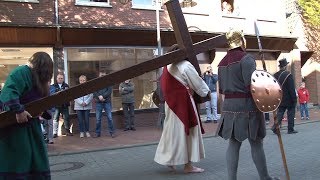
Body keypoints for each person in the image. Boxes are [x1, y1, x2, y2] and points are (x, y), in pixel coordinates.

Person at [216, 29, 279, 180]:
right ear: (241, 41)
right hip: (247, 106)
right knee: (256, 143)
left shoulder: (221, 63)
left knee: (234, 144)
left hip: (229, 106)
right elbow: (252, 87)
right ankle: (265, 178)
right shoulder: (247, 59)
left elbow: (222, 88)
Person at [154, 44, 210, 173]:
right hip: (184, 105)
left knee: (171, 133)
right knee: (187, 133)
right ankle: (188, 166)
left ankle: (170, 160)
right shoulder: (185, 65)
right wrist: (204, 92)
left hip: (171, 105)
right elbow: (198, 83)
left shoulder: (166, 67)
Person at [0, 52, 53, 179]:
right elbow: (8, 92)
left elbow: (42, 100)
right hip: (13, 126)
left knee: (35, 157)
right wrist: (18, 110)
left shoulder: (41, 80)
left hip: (31, 125)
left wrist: (41, 111)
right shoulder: (22, 71)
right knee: (18, 159)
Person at [272, 58, 298, 134]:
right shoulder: (288, 75)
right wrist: (294, 99)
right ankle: (290, 129)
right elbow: (291, 88)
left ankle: (275, 127)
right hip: (289, 98)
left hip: (279, 97)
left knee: (280, 112)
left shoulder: (275, 75)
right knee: (290, 113)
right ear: (285, 66)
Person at [93, 71, 115, 138]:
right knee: (98, 119)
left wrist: (102, 96)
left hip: (107, 102)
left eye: (103, 75)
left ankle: (112, 132)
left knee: (110, 118)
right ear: (99, 75)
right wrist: (99, 96)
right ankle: (97, 133)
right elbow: (94, 91)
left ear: (105, 75)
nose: (102, 76)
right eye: (101, 75)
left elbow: (109, 91)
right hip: (98, 103)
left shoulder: (109, 82)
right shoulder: (96, 83)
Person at [52, 73, 72, 137]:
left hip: (65, 105)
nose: (60, 79)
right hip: (56, 105)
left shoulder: (66, 86)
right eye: (59, 78)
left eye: (61, 78)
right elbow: (52, 95)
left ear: (63, 79)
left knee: (66, 118)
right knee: (55, 119)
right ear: (56, 79)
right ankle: (55, 132)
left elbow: (69, 95)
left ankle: (67, 131)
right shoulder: (53, 86)